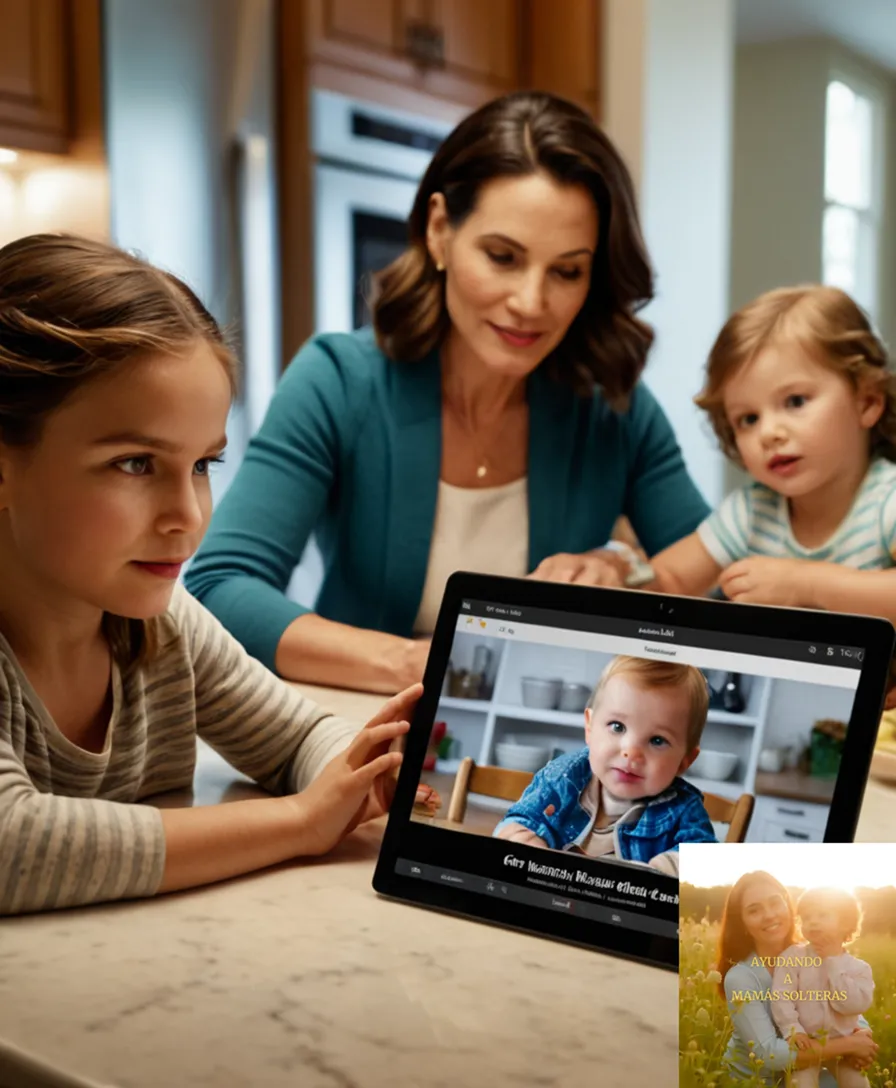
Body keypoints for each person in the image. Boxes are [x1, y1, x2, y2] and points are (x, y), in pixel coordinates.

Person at [184, 90, 710, 695]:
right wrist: (416, 663)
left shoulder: (615, 411)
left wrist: (626, 568)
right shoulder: (337, 382)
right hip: (355, 738)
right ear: (439, 230)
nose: (531, 303)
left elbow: (719, 581)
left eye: (566, 271)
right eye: (503, 256)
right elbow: (221, 585)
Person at [0, 233, 436, 917]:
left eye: (204, 465)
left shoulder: (166, 627)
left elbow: (297, 737)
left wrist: (369, 771)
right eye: (136, 463)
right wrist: (299, 823)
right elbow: (14, 846)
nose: (188, 515)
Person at [644, 285, 896, 626]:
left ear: (867, 402)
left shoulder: (887, 502)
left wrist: (804, 583)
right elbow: (670, 580)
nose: (769, 433)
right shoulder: (751, 513)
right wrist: (613, 569)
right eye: (748, 419)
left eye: (795, 401)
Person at [493, 656, 716, 874]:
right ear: (589, 728)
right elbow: (520, 821)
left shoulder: (684, 809)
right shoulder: (562, 777)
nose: (631, 752)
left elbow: (707, 862)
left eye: (657, 740)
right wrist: (522, 839)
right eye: (617, 727)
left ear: (684, 761)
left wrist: (659, 874)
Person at [717, 871, 878, 1084]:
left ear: (788, 905)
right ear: (743, 923)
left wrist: (861, 1032)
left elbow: (840, 1003)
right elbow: (768, 1055)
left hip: (812, 1063)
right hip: (757, 1080)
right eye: (754, 910)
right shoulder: (741, 978)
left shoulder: (816, 953)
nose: (769, 915)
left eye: (775, 903)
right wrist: (849, 1045)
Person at [771, 887, 874, 1088]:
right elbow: (781, 997)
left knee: (858, 1084)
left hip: (844, 1048)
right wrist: (793, 1030)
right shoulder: (792, 958)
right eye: (807, 917)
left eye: (822, 915)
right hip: (807, 1044)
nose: (813, 922)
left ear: (845, 923)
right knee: (800, 1084)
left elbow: (853, 1005)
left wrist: (833, 962)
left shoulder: (859, 968)